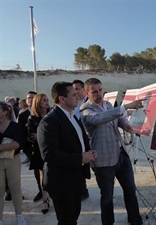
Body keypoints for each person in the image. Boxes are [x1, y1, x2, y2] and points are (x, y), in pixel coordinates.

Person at [80, 78, 144, 225]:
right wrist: (125, 106)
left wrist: (124, 124)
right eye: (94, 91)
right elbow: (99, 118)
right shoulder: (85, 110)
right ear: (86, 92)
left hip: (121, 156)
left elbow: (116, 118)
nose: (98, 94)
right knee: (107, 197)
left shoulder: (108, 104)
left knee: (130, 191)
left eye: (100, 90)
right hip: (103, 161)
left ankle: (135, 221)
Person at [37, 81, 97, 225]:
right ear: (62, 99)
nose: (78, 96)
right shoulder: (49, 121)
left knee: (73, 216)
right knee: (67, 220)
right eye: (74, 94)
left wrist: (88, 151)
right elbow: (49, 154)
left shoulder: (72, 116)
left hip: (76, 177)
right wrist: (80, 157)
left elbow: (78, 140)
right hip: (61, 181)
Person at [0, 101, 27, 225]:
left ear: (5, 112)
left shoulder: (14, 126)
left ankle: (19, 215)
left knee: (15, 187)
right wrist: (7, 145)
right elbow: (12, 144)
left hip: (13, 160)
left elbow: (17, 144)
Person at [27, 94, 51, 214]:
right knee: (43, 177)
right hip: (39, 151)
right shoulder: (32, 119)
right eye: (44, 101)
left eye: (47, 100)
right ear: (38, 103)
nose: (47, 102)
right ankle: (45, 200)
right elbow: (31, 136)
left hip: (54, 149)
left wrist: (40, 135)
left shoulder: (53, 115)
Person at [72, 79, 89, 201]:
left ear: (84, 90)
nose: (75, 91)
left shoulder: (89, 102)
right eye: (73, 89)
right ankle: (82, 188)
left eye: (77, 89)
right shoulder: (73, 103)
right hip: (76, 139)